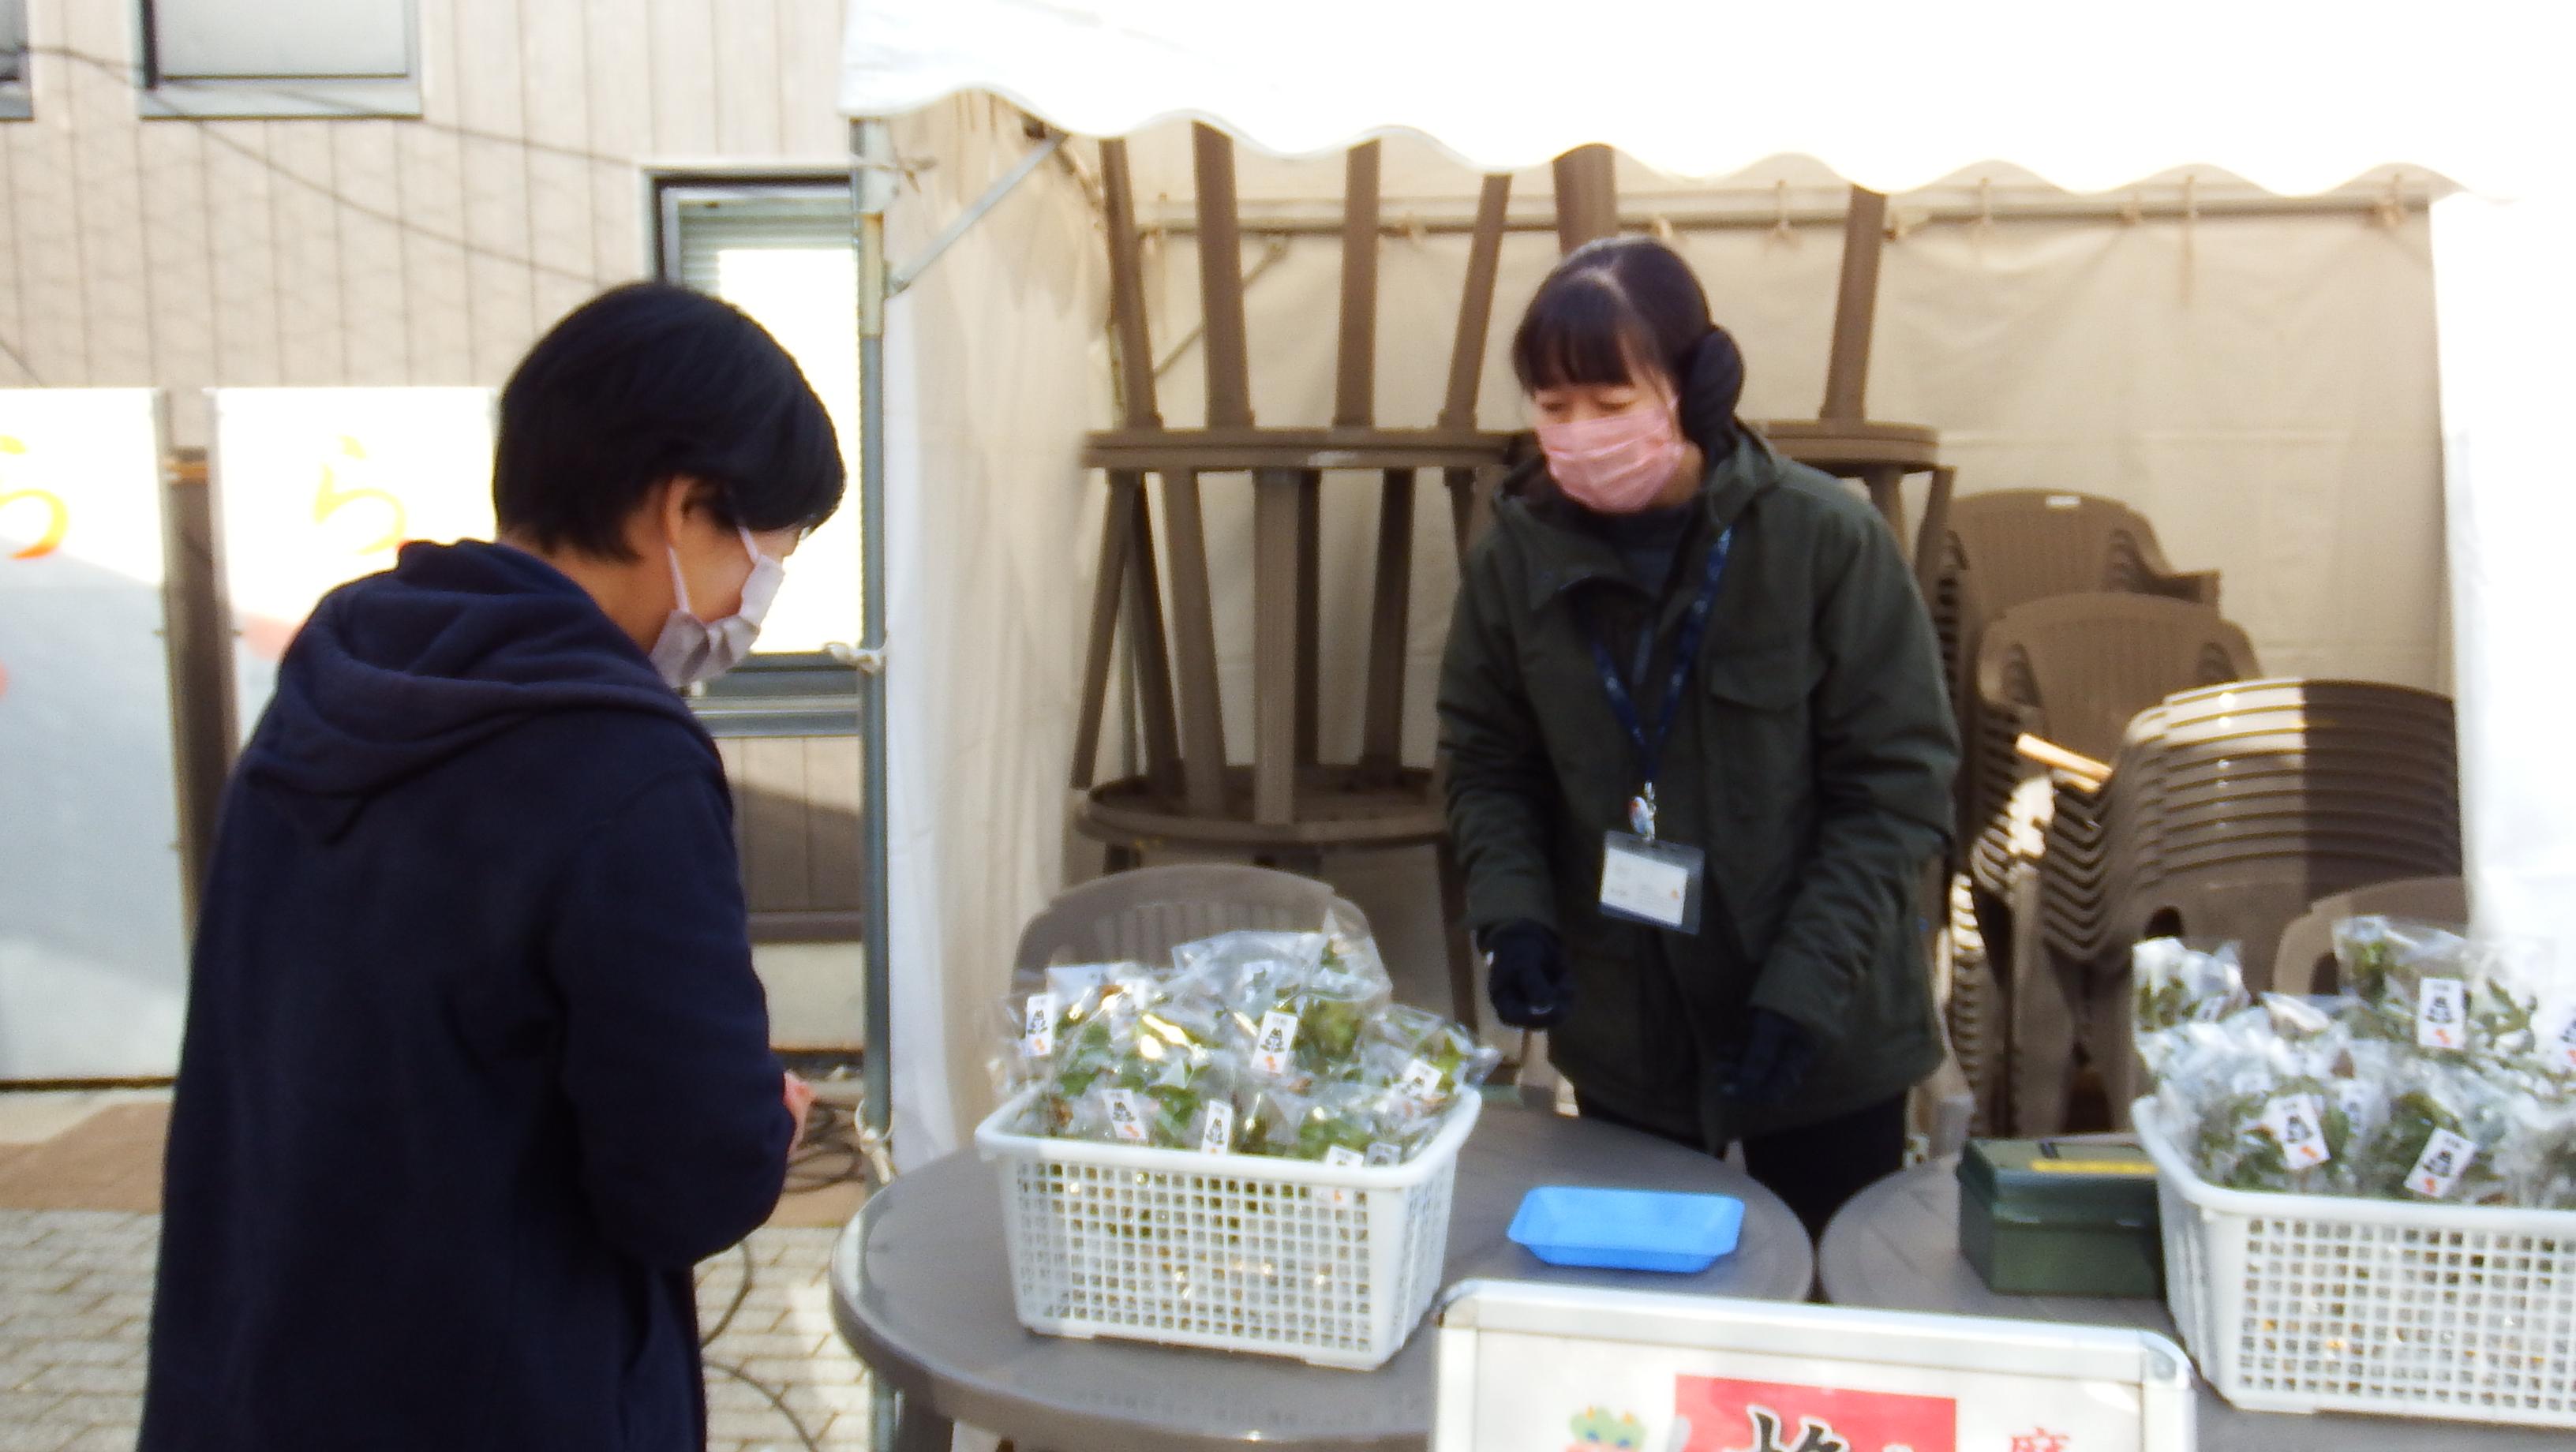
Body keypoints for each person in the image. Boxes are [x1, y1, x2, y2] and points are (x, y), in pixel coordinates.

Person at [140, 283, 844, 1452]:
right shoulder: (622, 757)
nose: (750, 603)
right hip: (500, 1392)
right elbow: (684, 1178)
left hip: (258, 1367)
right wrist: (759, 1124)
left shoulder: (344, 665)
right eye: (766, 556)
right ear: (682, 507)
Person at [1437, 238, 1958, 1236]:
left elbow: (1897, 788)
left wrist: (1806, 987)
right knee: (1654, 1329)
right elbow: (1486, 759)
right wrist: (1515, 916)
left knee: (1821, 1307)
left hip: (1825, 1027)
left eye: (1610, 400)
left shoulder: (1824, 544)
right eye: (1554, 408)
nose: (1580, 431)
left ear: (1693, 388)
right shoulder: (1514, 563)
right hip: (1630, 1031)